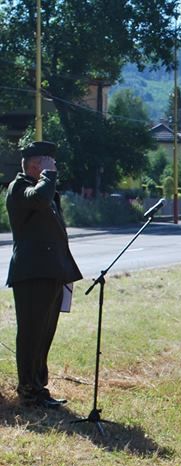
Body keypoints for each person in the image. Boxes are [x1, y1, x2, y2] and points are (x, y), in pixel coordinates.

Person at [5, 140, 82, 407]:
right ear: (37, 165)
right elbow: (38, 199)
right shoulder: (19, 188)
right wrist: (48, 177)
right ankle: (27, 390)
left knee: (45, 334)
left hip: (50, 272)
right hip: (32, 274)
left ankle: (39, 388)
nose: (55, 168)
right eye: (50, 164)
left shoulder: (43, 189)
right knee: (31, 334)